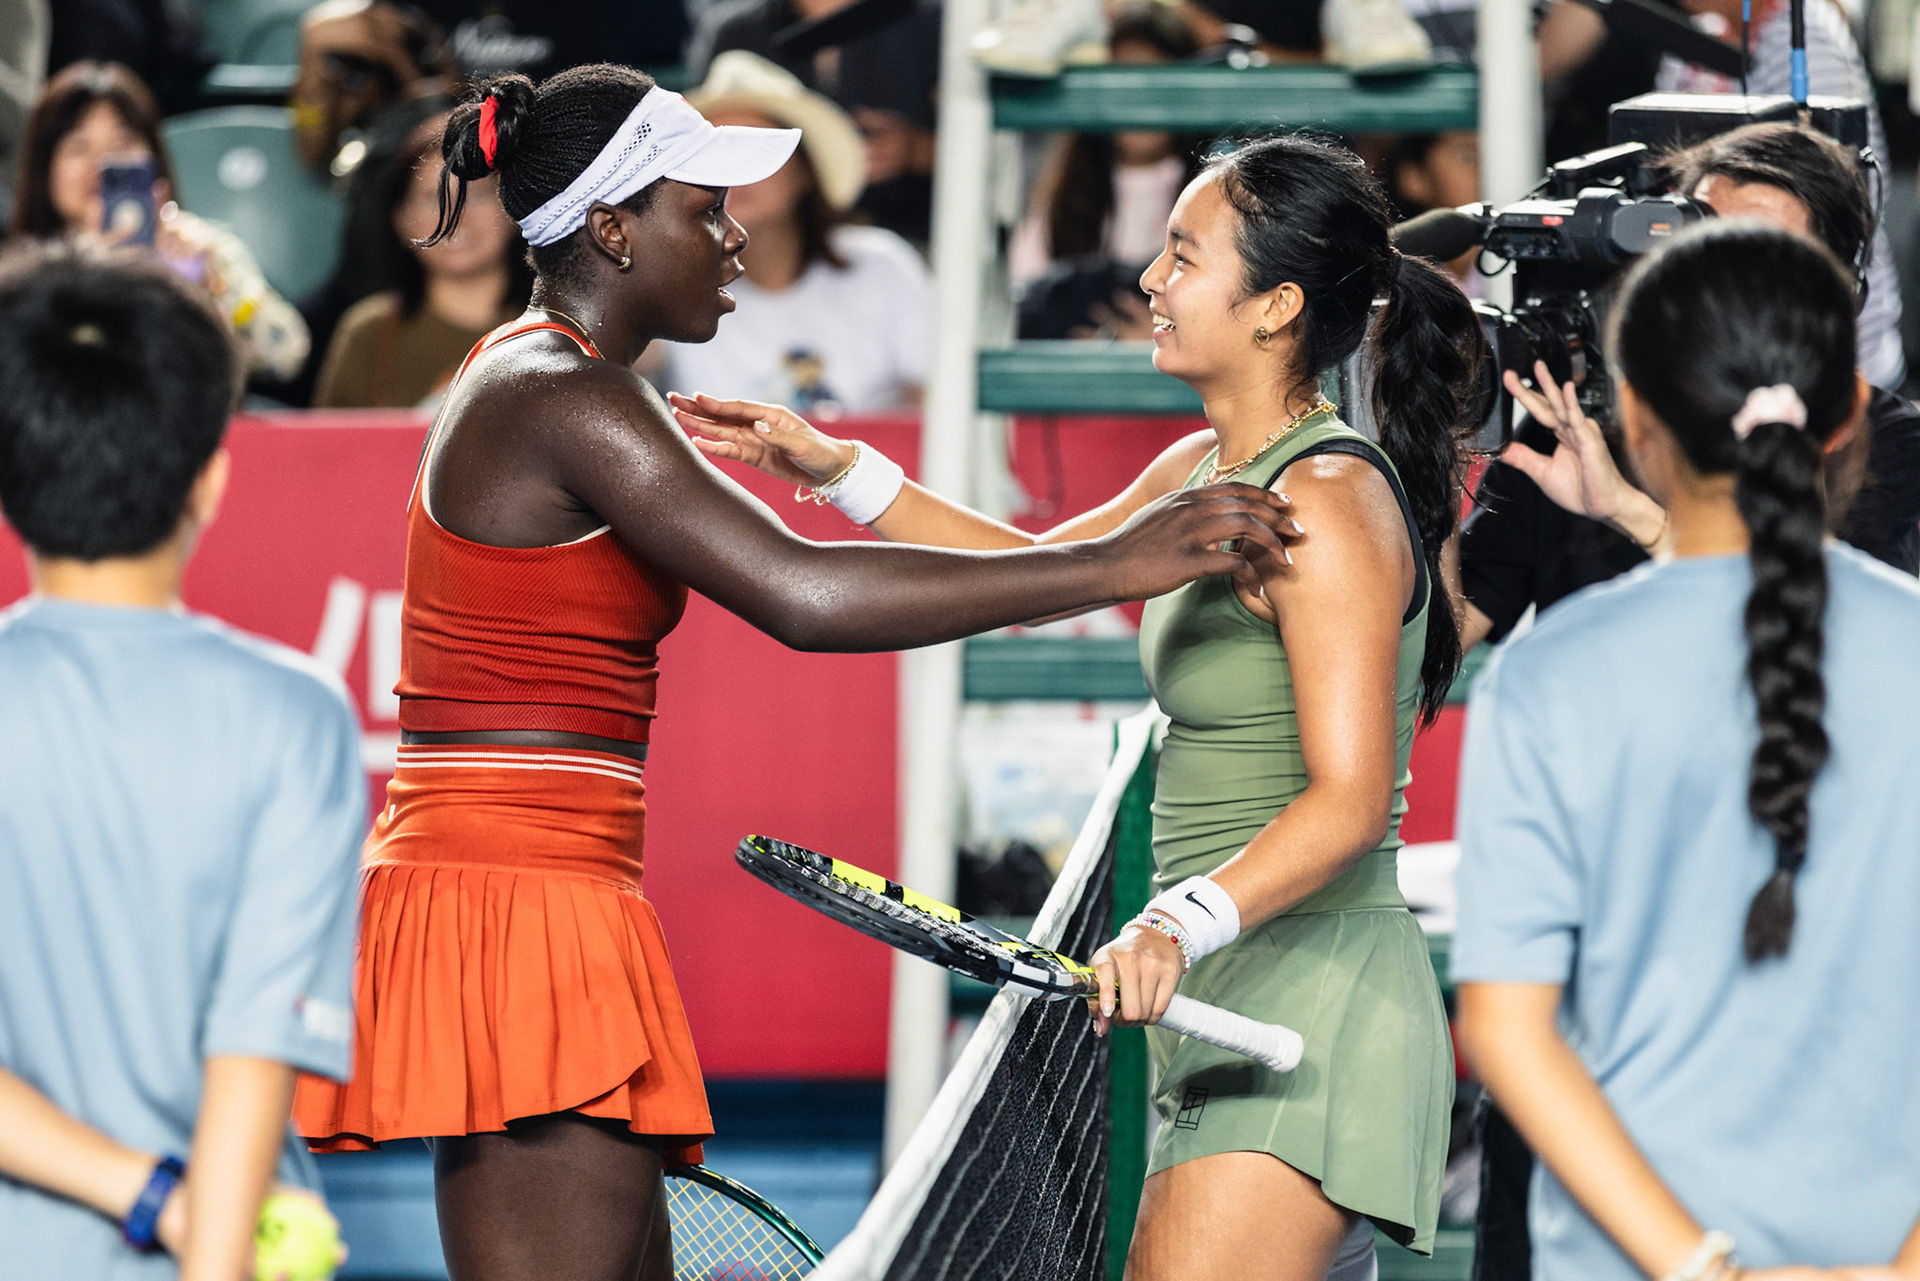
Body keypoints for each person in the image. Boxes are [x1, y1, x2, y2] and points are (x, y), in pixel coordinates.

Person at [289, 63, 1298, 1281]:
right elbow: (804, 597)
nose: (734, 232)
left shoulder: (560, 379)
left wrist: (1035, 536)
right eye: (703, 207)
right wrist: (1114, 565)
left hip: (538, 881)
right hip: (515, 895)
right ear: (613, 228)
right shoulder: (563, 390)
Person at [678, 131, 1484, 1276]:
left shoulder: (1329, 503)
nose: (1150, 282)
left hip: (1317, 1005)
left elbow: (1351, 802)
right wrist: (836, 470)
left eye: (1183, 257)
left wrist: (1173, 921)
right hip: (1223, 994)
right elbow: (1033, 570)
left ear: (1276, 307)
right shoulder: (1199, 472)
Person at [1453, 220, 1920, 1281]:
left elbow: (1509, 1036)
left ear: (1639, 422)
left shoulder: (1550, 677)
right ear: (1849, 415)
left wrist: (1703, 1269)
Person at [0, 244, 364, 1281]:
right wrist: (187, 1223)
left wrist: (141, 1190)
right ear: (210, 479)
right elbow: (247, 1069)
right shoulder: (293, 718)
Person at [1458, 122, 1920, 653]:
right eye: (1698, 246)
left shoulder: (1880, 441)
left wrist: (1628, 510)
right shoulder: (1576, 426)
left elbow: (1827, 639)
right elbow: (1435, 651)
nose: (1717, 283)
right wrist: (1437, 453)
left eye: (1758, 257)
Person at [650, 51, 927, 413]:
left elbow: (936, 404)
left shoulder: (883, 265)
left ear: (805, 171)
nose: (731, 172)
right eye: (709, 154)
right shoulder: (668, 283)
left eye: (755, 149)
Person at [7, 61, 310, 381]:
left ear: (154, 158)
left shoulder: (200, 247)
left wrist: (208, 294)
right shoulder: (19, 272)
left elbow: (287, 353)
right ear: (44, 168)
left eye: (122, 144)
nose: (101, 165)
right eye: (78, 148)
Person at [1008, 2, 1204, 341]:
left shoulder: (1208, 193)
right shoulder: (1062, 198)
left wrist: (1160, 342)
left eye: (1155, 83)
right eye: (1124, 83)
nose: (1139, 104)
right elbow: (1024, 310)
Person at [314, 111, 533, 409]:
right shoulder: (366, 335)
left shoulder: (559, 329)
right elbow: (327, 452)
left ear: (511, 208)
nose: (456, 217)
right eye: (434, 198)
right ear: (402, 219)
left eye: (477, 195)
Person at [688, 0, 941, 243]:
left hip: (914, 235)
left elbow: (977, 152)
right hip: (767, 246)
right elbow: (699, 142)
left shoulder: (931, 21)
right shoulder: (736, 30)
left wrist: (917, 150)